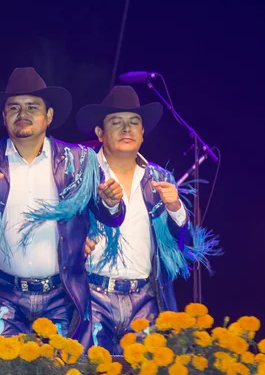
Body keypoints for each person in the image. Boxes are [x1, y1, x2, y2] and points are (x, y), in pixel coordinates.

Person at [0, 67, 125, 344]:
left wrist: (112, 204)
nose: (23, 113)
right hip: (3, 294)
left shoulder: (80, 161)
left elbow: (112, 217)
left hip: (62, 296)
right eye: (14, 107)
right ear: (4, 117)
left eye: (33, 106)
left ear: (49, 116)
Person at [76, 85, 216, 353]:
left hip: (146, 299)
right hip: (92, 296)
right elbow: (58, 229)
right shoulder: (81, 174)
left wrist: (176, 208)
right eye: (117, 122)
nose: (127, 129)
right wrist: (75, 242)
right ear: (100, 133)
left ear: (142, 134)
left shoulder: (161, 178)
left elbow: (184, 247)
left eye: (134, 123)